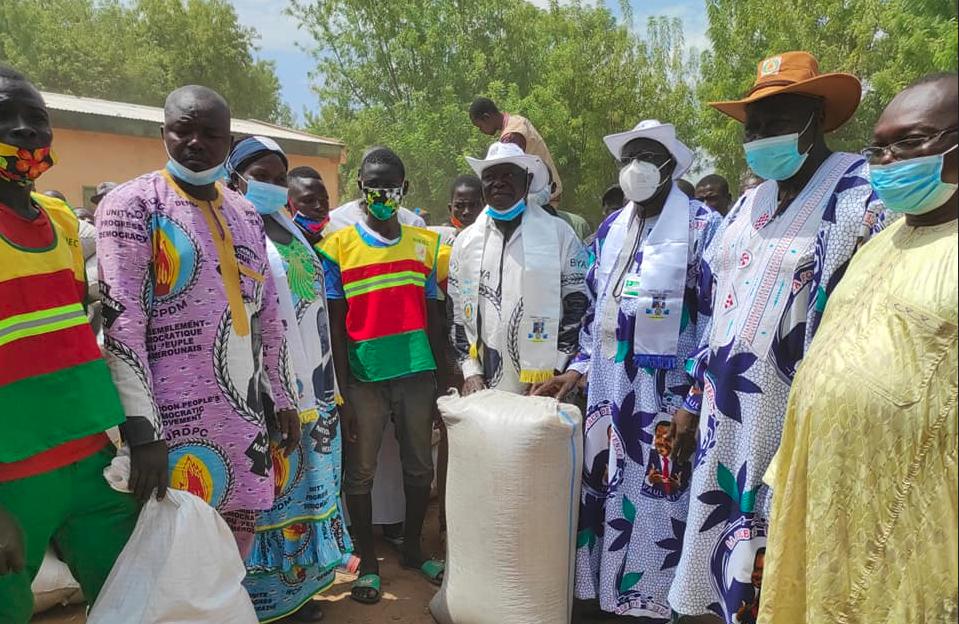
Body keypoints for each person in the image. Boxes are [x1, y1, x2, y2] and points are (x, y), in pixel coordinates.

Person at [666, 52, 889, 624]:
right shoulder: (747, 203)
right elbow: (718, 317)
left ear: (816, 117)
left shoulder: (864, 197)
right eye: (754, 127)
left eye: (778, 121)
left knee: (785, 565)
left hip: (799, 424)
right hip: (726, 422)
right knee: (718, 562)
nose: (761, 136)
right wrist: (691, 402)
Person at [759, 72, 959, 623]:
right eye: (879, 147)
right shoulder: (881, 243)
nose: (890, 159)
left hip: (910, 540)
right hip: (823, 508)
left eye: (912, 142)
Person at [97, 85, 300, 558]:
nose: (195, 143)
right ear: (163, 133)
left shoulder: (246, 213)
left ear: (228, 143)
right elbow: (122, 325)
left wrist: (282, 397)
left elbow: (266, 314)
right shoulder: (131, 207)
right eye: (182, 130)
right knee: (173, 560)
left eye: (210, 133)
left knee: (232, 557)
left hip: (243, 419)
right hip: (171, 425)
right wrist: (144, 433)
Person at [533, 120, 721, 619]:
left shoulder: (702, 228)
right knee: (607, 492)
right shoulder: (613, 228)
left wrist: (691, 404)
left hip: (666, 399)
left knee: (658, 497)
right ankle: (605, 596)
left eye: (647, 156)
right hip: (608, 394)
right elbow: (599, 312)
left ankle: (650, 603)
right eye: (628, 157)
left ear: (670, 166)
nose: (635, 167)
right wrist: (576, 369)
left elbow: (714, 323)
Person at [0, 66, 138, 623]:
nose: (25, 131)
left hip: (94, 462)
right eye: (6, 118)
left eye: (37, 119)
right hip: (12, 476)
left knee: (128, 599)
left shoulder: (60, 221)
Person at [226, 136, 352, 623]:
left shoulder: (289, 232)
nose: (274, 186)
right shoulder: (233, 233)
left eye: (280, 178)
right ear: (234, 176)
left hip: (315, 391)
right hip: (267, 394)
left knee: (310, 489)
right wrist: (266, 393)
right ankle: (263, 604)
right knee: (271, 498)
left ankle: (301, 592)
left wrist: (329, 388)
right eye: (262, 175)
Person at [319, 146, 448, 604]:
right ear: (360, 190)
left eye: (389, 187)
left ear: (404, 190)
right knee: (361, 473)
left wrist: (445, 379)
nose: (381, 195)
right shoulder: (337, 247)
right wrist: (340, 391)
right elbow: (334, 325)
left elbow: (436, 320)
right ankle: (369, 564)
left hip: (417, 374)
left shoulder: (425, 245)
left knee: (418, 469)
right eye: (372, 187)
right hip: (363, 379)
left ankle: (412, 549)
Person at [449, 142, 589, 395]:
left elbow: (577, 304)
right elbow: (458, 312)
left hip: (544, 383)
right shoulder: (465, 241)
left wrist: (557, 368)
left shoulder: (559, 234)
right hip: (484, 383)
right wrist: (470, 372)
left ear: (527, 180)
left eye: (508, 175)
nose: (498, 183)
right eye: (490, 177)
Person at [469, 97, 564, 205]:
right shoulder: (517, 120)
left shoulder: (511, 136)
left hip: (543, 196)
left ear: (486, 118)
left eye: (480, 126)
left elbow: (508, 175)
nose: (481, 130)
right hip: (549, 189)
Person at [327, 146, 426, 233]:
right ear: (360, 181)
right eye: (373, 184)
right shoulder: (335, 221)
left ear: (404, 187)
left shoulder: (414, 224)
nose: (381, 191)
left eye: (389, 185)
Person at [288, 165, 331, 247]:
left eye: (324, 199)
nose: (319, 206)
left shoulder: (336, 245)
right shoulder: (281, 247)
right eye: (309, 200)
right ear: (288, 204)